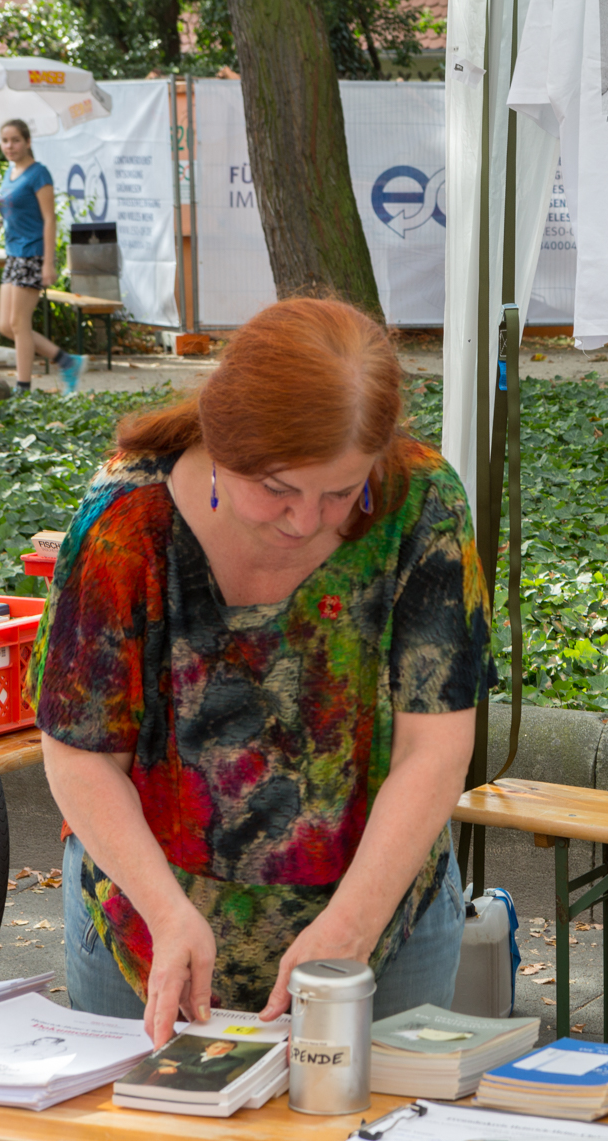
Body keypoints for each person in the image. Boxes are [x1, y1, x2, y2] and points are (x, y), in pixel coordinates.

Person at [26, 298, 492, 1045]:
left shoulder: (423, 503)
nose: (306, 520)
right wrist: (166, 909)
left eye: (341, 492)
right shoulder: (126, 519)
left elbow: (434, 749)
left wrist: (354, 921)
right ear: (225, 439)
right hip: (149, 930)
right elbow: (80, 755)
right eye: (276, 487)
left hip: (378, 925)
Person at [0, 118, 84, 397]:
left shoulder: (38, 173)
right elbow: (15, 213)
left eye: (15, 140)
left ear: (28, 142)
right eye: (5, 140)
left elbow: (48, 220)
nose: (10, 146)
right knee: (5, 326)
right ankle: (67, 361)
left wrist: (48, 262)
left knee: (20, 324)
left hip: (31, 254)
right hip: (12, 254)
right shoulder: (11, 172)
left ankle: (23, 390)